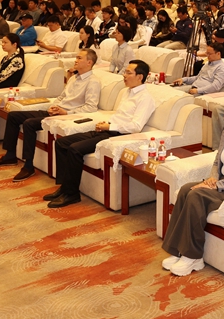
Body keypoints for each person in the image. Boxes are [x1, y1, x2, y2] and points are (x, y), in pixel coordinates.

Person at [161, 89, 224, 277]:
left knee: (196, 195)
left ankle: (193, 256)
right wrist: (213, 177)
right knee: (185, 190)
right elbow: (217, 161)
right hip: (221, 183)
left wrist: (216, 185)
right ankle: (177, 250)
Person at [45, 60, 156, 208]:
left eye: (128, 73)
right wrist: (106, 124)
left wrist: (110, 126)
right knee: (61, 143)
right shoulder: (127, 92)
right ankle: (64, 188)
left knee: (75, 149)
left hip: (118, 135)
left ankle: (71, 194)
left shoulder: (145, 98)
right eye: (125, 72)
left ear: (140, 77)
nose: (124, 75)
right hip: (107, 129)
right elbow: (120, 116)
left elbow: (136, 126)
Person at [0, 49, 101, 181]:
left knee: (29, 124)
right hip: (56, 111)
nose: (76, 60)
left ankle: (28, 166)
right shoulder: (73, 78)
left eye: (79, 58)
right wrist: (54, 106)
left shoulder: (93, 81)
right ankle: (10, 155)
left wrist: (66, 112)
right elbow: (61, 97)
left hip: (66, 116)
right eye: (76, 57)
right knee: (13, 116)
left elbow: (91, 107)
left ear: (89, 62)